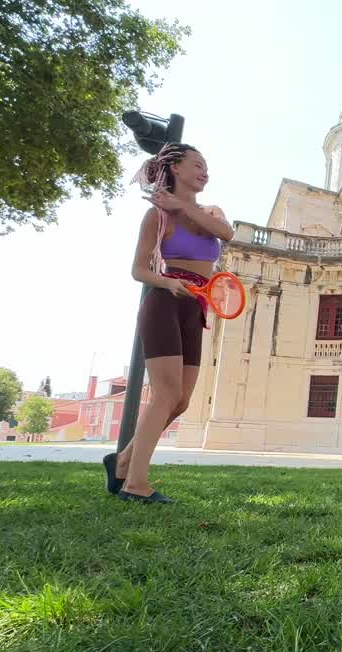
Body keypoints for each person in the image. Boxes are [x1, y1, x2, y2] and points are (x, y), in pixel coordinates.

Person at [102, 143, 233, 504]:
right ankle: (135, 484)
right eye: (197, 165)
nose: (204, 171)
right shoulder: (156, 217)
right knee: (165, 393)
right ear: (174, 168)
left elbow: (227, 234)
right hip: (164, 301)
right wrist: (169, 282)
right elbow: (138, 269)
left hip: (197, 307)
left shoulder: (210, 211)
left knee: (181, 400)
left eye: (206, 166)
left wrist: (184, 206)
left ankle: (123, 460)